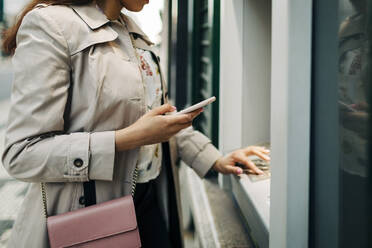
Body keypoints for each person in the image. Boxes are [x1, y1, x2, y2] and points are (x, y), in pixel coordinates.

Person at [1, 0, 270, 247]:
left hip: (153, 202)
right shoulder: (51, 25)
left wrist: (215, 160)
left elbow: (161, 118)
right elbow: (21, 153)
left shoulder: (132, 30)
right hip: (90, 216)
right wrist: (126, 139)